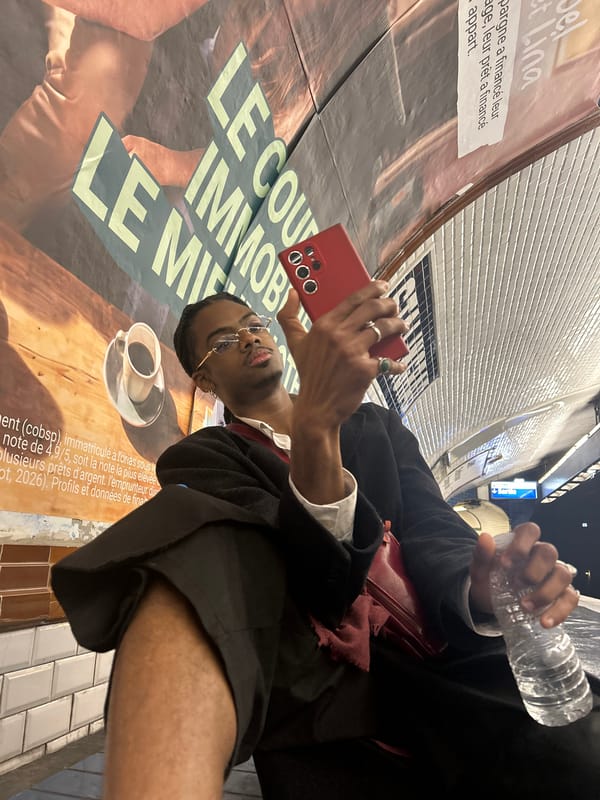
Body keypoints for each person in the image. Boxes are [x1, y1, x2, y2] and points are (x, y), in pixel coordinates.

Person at [51, 280, 599, 800]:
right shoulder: (203, 459)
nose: (248, 338)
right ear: (206, 381)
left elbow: (432, 525)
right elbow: (312, 579)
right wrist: (315, 432)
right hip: (344, 709)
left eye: (252, 324)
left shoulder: (376, 425)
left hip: (466, 665)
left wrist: (477, 586)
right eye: (222, 341)